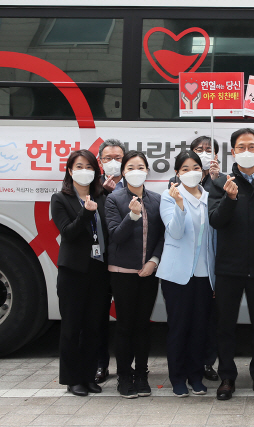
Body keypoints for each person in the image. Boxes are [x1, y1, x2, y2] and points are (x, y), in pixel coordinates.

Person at [208, 128, 254, 401]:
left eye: (251, 146)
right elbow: (215, 220)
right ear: (232, 152)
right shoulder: (219, 182)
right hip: (229, 267)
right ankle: (226, 376)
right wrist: (230, 198)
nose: (246, 151)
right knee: (225, 325)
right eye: (240, 146)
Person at [105, 151, 164, 398]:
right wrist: (132, 216)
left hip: (148, 272)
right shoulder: (114, 199)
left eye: (141, 166)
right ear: (123, 171)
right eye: (131, 167)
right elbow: (115, 236)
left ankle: (141, 374)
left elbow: (164, 235)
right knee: (125, 325)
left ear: (148, 171)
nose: (136, 171)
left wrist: (154, 260)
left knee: (143, 325)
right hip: (122, 273)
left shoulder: (157, 200)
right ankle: (124, 375)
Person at [51, 149, 110, 397]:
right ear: (69, 170)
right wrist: (85, 212)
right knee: (72, 326)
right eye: (79, 166)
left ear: (96, 171)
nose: (84, 170)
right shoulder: (60, 199)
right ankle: (72, 379)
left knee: (93, 326)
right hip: (74, 271)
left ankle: (88, 376)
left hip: (99, 270)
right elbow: (68, 233)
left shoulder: (104, 196)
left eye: (89, 166)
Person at [156, 151, 216, 397]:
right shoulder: (169, 197)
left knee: (200, 328)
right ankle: (178, 377)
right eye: (184, 168)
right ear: (177, 173)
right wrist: (180, 206)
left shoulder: (210, 197)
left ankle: (195, 375)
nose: (190, 172)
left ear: (202, 172)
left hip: (204, 275)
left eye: (195, 167)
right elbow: (176, 233)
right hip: (177, 275)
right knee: (179, 327)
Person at [95, 138, 127, 384]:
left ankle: (130, 369)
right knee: (97, 316)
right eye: (108, 158)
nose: (113, 163)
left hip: (127, 264)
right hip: (99, 264)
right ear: (100, 161)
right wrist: (103, 192)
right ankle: (100, 365)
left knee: (128, 319)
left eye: (118, 158)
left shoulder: (135, 185)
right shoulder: (93, 188)